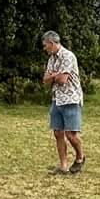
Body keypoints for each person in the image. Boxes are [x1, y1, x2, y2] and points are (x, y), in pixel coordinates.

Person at [40, 31, 85, 175]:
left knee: (71, 134)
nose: (45, 49)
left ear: (52, 43)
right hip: (57, 99)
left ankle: (80, 156)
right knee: (58, 132)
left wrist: (53, 76)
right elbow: (45, 80)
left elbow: (62, 80)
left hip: (71, 99)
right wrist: (54, 75)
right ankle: (63, 165)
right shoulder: (52, 59)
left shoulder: (68, 56)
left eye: (45, 46)